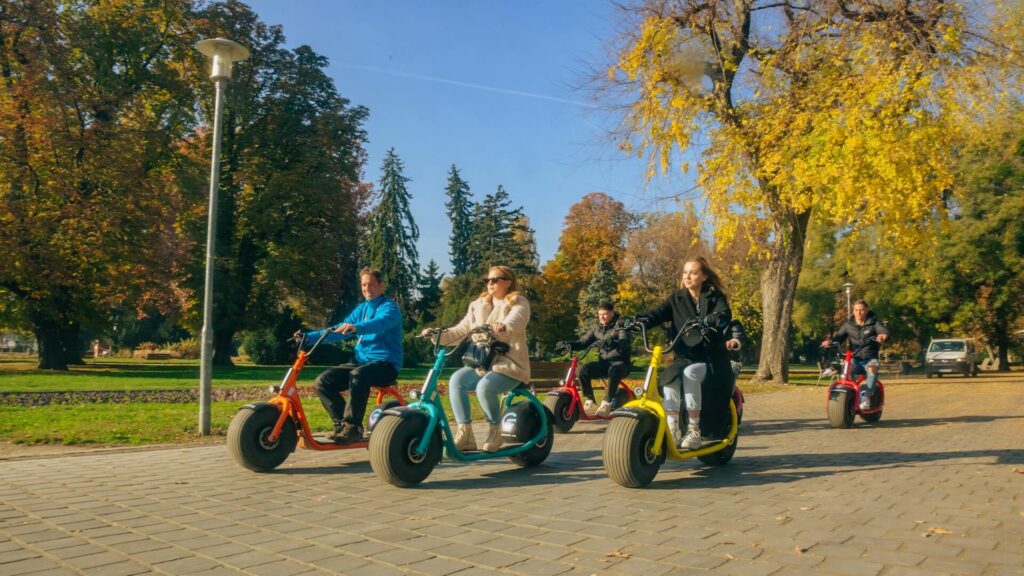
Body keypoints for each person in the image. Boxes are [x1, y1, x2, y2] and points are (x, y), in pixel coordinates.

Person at [422, 265, 530, 452]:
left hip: (509, 364)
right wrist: (436, 334)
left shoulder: (518, 302)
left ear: (508, 282)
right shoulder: (477, 305)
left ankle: (495, 430)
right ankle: (465, 434)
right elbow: (460, 330)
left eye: (495, 279)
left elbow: (516, 321)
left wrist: (503, 327)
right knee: (456, 380)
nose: (490, 283)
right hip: (483, 363)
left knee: (485, 387)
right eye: (487, 280)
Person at [636, 257, 740, 450]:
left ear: (704, 276)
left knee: (689, 373)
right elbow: (657, 314)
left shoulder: (714, 297)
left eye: (692, 272)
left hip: (711, 359)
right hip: (685, 357)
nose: (687, 276)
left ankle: (694, 431)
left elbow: (724, 314)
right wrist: (636, 321)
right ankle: (673, 427)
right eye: (685, 272)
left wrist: (711, 319)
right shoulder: (677, 298)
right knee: (669, 377)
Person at [298, 268, 403, 444]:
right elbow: (338, 329)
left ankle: (353, 428)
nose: (367, 288)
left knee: (358, 375)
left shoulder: (390, 308)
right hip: (361, 363)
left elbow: (379, 324)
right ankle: (342, 425)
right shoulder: (361, 309)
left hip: (386, 364)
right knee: (323, 381)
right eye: (363, 285)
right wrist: (307, 338)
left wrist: (357, 327)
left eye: (371, 284)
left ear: (381, 285)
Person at [558, 302, 631, 417]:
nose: (601, 317)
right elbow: (582, 342)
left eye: (605, 314)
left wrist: (614, 341)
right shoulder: (597, 328)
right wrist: (567, 344)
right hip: (604, 363)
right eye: (599, 314)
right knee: (582, 369)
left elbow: (625, 341)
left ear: (612, 313)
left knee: (614, 369)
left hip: (621, 364)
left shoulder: (620, 325)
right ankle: (589, 399)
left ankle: (606, 404)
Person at [822, 299, 890, 411]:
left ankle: (866, 397)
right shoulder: (848, 325)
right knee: (846, 370)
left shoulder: (874, 323)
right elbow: (838, 338)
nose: (859, 312)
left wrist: (883, 335)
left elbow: (884, 331)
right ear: (853, 311)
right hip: (855, 358)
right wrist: (829, 342)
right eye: (856, 310)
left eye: (862, 310)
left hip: (870, 358)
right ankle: (851, 395)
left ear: (866, 310)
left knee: (872, 370)